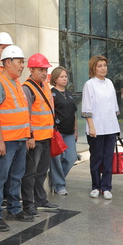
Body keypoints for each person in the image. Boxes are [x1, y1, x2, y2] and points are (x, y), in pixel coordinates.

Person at [0, 45, 34, 231]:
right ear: (8, 63)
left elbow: (22, 113)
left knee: (16, 177)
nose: (22, 66)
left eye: (23, 62)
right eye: (20, 62)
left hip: (20, 139)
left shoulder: (16, 83)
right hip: (6, 141)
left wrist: (28, 135)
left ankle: (14, 209)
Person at [21, 53, 59, 216]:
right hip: (35, 139)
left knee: (42, 171)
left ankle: (40, 200)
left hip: (46, 136)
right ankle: (29, 204)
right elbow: (26, 115)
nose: (44, 73)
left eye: (45, 70)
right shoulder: (27, 88)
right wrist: (30, 136)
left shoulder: (44, 86)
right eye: (41, 70)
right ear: (32, 69)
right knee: (30, 173)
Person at [81, 55, 120, 200]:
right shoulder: (89, 84)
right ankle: (96, 186)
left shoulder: (109, 83)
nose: (103, 68)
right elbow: (87, 108)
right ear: (93, 68)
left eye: (104, 65)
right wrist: (91, 127)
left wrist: (116, 127)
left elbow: (114, 106)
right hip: (96, 128)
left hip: (110, 127)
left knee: (108, 158)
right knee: (96, 158)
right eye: (100, 66)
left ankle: (107, 187)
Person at [49, 66, 78, 196]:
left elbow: (74, 113)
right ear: (55, 79)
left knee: (71, 158)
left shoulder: (69, 93)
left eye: (66, 76)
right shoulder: (52, 94)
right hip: (57, 132)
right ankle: (59, 185)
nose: (64, 79)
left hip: (70, 132)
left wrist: (76, 129)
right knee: (56, 160)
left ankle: (55, 178)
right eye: (61, 76)